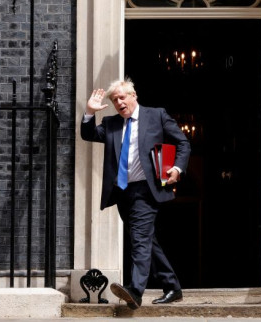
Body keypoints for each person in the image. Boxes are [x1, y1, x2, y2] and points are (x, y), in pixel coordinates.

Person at [80, 78, 190, 309]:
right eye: (114, 99)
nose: (119, 102)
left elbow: (182, 143)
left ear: (133, 95)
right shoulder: (111, 123)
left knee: (140, 240)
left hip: (146, 190)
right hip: (122, 191)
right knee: (146, 239)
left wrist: (177, 168)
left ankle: (135, 291)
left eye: (122, 97)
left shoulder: (156, 115)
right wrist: (90, 111)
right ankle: (172, 287)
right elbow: (88, 135)